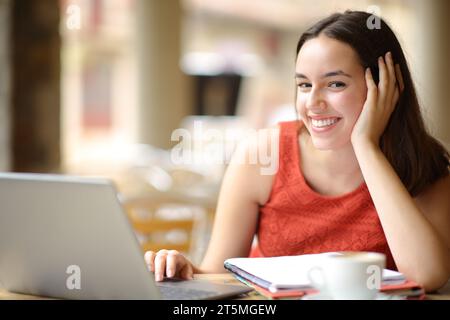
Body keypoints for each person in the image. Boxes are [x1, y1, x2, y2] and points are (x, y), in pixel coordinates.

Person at [144, 10, 450, 292]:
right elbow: (216, 274)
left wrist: (367, 147)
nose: (313, 103)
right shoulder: (262, 154)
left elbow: (428, 276)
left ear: (386, 86)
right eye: (304, 85)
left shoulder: (426, 165)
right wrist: (184, 271)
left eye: (335, 84)